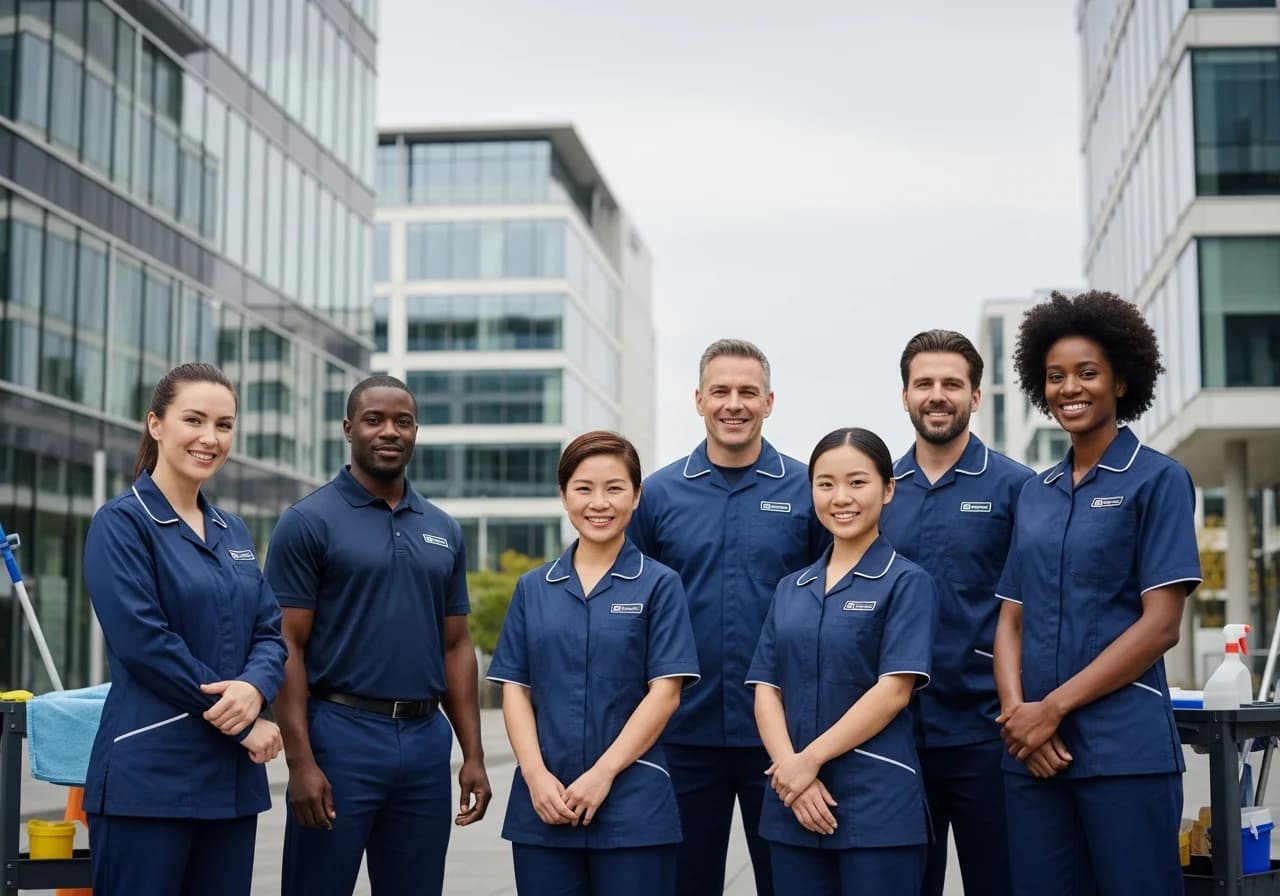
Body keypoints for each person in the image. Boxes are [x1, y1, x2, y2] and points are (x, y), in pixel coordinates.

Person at [993, 290, 1201, 895]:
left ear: (1120, 382)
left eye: (1088, 373)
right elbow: (1010, 619)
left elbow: (1161, 625)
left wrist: (1049, 711)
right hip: (1032, 755)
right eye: (1055, 376)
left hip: (1122, 753)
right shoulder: (1036, 491)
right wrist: (1017, 721)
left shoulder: (1158, 480)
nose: (1069, 388)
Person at [265, 375, 491, 896]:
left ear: (415, 431)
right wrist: (301, 763)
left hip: (423, 743)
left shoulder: (443, 528)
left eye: (402, 421)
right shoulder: (307, 521)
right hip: (339, 736)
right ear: (349, 429)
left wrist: (472, 754)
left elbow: (456, 645)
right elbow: (287, 646)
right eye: (374, 420)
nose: (389, 431)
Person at [628, 338, 827, 896]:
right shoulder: (659, 495)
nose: (733, 404)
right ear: (698, 400)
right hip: (682, 735)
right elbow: (638, 612)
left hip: (784, 739)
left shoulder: (806, 489)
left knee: (792, 882)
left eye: (747, 392)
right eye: (720, 391)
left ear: (769, 401)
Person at [82, 362, 286, 896]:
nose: (209, 438)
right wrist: (242, 720)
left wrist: (256, 687)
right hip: (149, 780)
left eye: (224, 425)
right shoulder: (121, 523)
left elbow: (269, 631)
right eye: (193, 420)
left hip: (230, 784)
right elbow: (145, 643)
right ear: (156, 424)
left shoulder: (232, 530)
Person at [487, 431, 700, 895]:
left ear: (637, 496)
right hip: (545, 805)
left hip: (633, 806)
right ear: (563, 495)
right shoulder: (533, 587)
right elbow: (515, 690)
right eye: (583, 488)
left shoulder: (660, 585)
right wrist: (535, 776)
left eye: (615, 488)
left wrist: (603, 774)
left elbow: (665, 693)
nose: (598, 503)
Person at [748, 427, 935, 896]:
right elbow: (765, 686)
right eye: (826, 484)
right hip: (792, 806)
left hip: (877, 808)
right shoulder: (791, 588)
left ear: (888, 489)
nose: (840, 497)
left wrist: (807, 761)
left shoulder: (907, 583)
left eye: (857, 482)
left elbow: (893, 690)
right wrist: (791, 768)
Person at [879, 329, 1033, 896]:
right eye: (924, 383)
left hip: (986, 734)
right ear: (904, 395)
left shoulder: (1018, 487)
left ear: (975, 396)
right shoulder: (880, 492)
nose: (936, 395)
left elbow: (1034, 609)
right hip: (894, 736)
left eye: (951, 383)